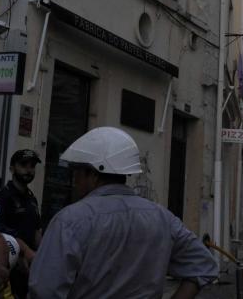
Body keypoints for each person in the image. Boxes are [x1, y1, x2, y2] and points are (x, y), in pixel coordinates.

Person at [28, 127, 218, 299]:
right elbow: (204, 265)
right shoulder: (162, 217)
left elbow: (45, 290)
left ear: (93, 175)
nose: (74, 179)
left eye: (77, 171)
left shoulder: (70, 220)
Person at [0, 149, 43, 299]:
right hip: (9, 267)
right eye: (23, 165)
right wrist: (25, 251)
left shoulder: (32, 199)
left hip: (29, 269)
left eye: (32, 166)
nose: (29, 170)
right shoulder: (2, 197)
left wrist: (41, 257)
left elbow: (37, 232)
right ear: (11, 168)